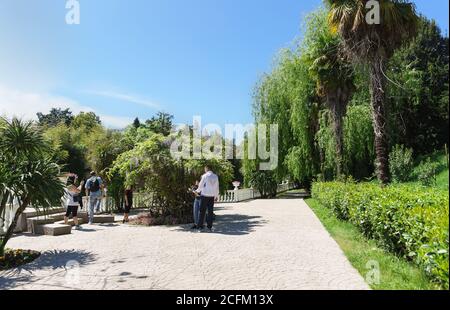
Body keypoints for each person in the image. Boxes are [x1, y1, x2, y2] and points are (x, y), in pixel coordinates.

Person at [196, 165, 220, 232]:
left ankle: (200, 227)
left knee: (202, 212)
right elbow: (217, 187)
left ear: (206, 168)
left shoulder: (205, 176)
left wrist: (197, 191)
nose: (204, 170)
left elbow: (200, 185)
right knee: (210, 212)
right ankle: (209, 227)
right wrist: (216, 196)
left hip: (204, 195)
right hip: (211, 196)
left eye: (205, 169)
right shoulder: (215, 176)